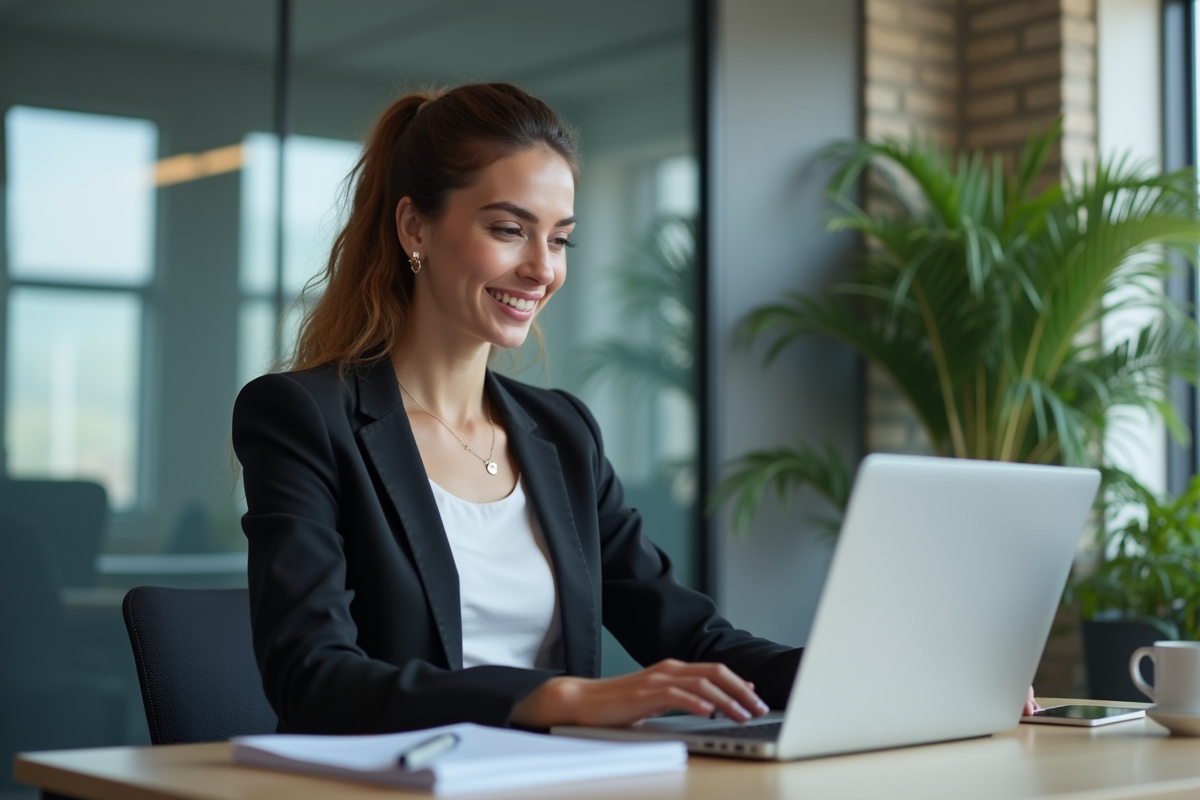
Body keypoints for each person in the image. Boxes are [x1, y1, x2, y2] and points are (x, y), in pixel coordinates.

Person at [232, 82, 1038, 735]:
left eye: (561, 238)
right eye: (509, 229)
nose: (540, 268)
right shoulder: (305, 417)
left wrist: (904, 680)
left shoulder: (559, 433)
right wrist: (566, 699)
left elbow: (694, 639)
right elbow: (315, 680)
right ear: (415, 225)